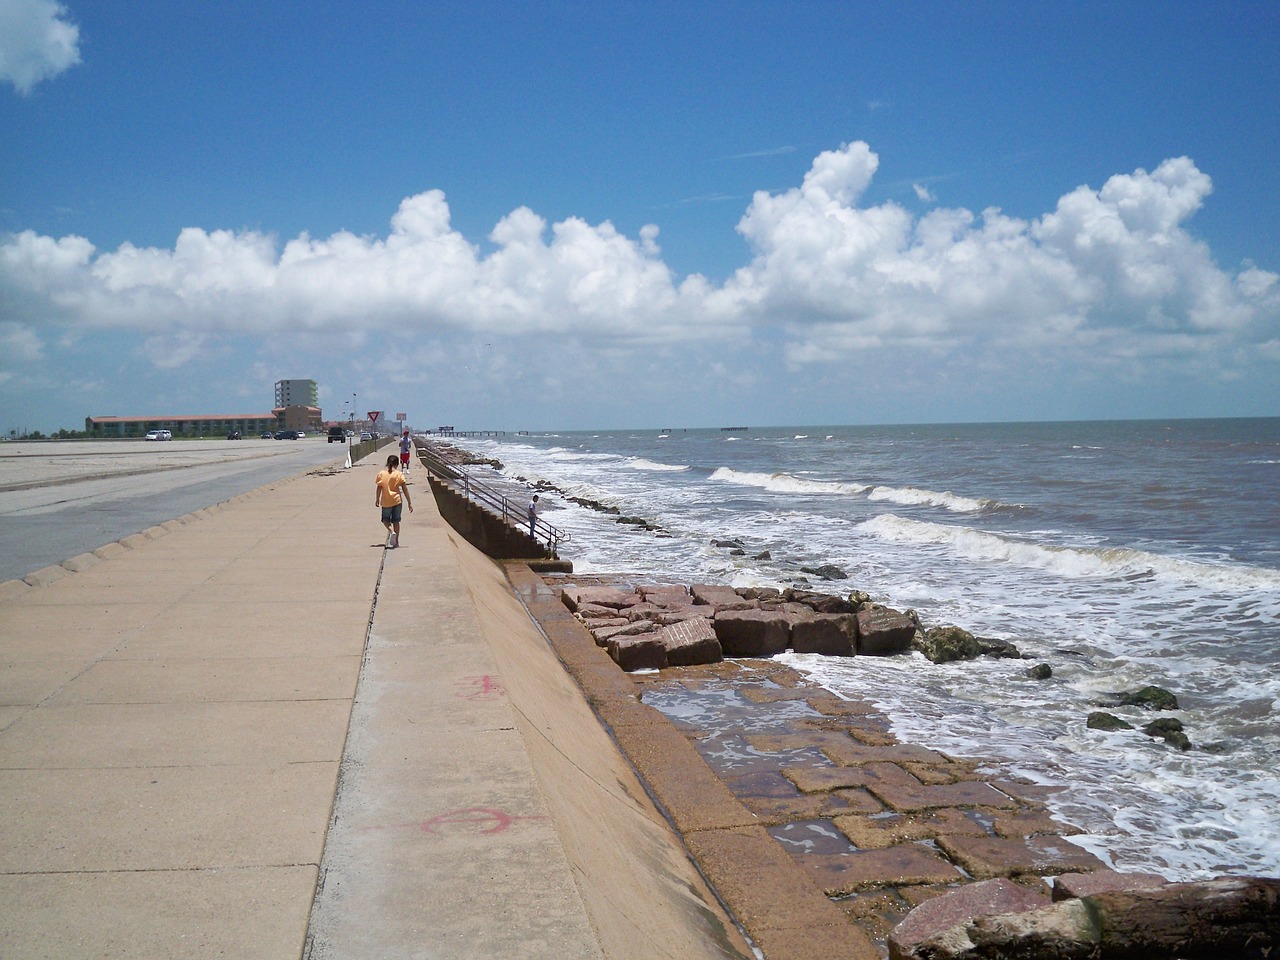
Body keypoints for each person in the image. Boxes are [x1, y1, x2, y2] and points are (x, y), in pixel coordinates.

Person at [375, 454, 412, 548]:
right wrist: (409, 503)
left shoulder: (382, 474)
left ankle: (391, 531)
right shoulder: (399, 474)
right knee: (396, 521)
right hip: (397, 501)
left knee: (385, 520)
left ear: (387, 463)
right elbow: (405, 489)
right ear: (397, 464)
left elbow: (379, 488)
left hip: (386, 501)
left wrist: (377, 499)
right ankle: (396, 542)